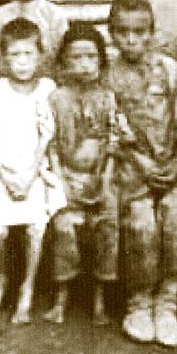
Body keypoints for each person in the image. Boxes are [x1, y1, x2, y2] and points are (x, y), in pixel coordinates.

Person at [103, 0, 177, 346]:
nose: (132, 40)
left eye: (140, 32)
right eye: (123, 32)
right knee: (141, 223)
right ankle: (138, 303)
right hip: (131, 169)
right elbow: (110, 126)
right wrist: (140, 162)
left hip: (174, 165)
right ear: (111, 34)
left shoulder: (170, 70)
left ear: (152, 33)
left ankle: (168, 304)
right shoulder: (107, 74)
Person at [0, 19, 65, 324]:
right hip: (3, 170)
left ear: (40, 55)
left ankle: (27, 286)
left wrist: (29, 175)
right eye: (15, 55)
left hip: (34, 169)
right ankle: (3, 278)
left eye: (29, 54)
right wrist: (5, 175)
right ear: (4, 58)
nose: (22, 62)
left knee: (34, 227)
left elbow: (47, 135)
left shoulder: (47, 88)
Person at [45, 23, 119, 325]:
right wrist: (60, 179)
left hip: (100, 177)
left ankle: (99, 299)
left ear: (101, 61)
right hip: (65, 176)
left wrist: (105, 178)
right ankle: (61, 297)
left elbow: (113, 142)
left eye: (91, 57)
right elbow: (49, 143)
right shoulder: (56, 98)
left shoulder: (107, 98)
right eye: (76, 57)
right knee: (64, 225)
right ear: (63, 62)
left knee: (108, 222)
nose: (84, 64)